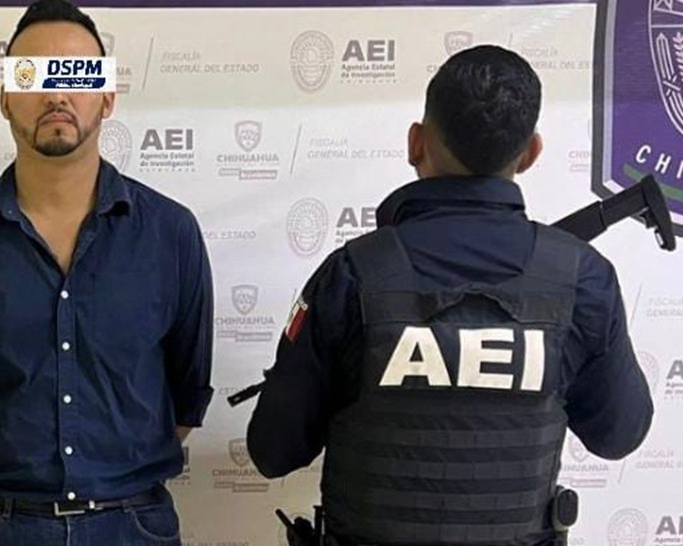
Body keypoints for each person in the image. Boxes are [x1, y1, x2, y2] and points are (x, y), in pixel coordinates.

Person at [246, 45, 654, 546]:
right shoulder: (581, 279)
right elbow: (619, 435)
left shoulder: (353, 274)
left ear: (416, 143)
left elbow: (273, 451)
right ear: (531, 153)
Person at [0, 1, 214, 544]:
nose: (56, 95)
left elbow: (187, 390)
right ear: (6, 98)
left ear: (107, 97)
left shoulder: (171, 234)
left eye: (77, 75)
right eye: (32, 76)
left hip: (135, 525)